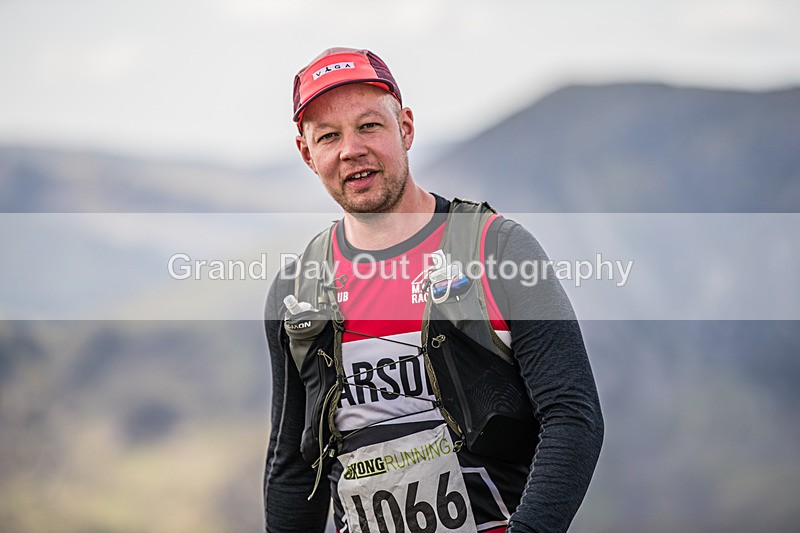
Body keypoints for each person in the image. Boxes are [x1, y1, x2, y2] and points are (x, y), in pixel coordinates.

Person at [263, 47, 603, 533]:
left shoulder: (498, 249)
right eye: (329, 136)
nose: (350, 149)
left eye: (369, 126)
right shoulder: (295, 291)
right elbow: (293, 469)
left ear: (405, 127)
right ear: (307, 154)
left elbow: (573, 417)